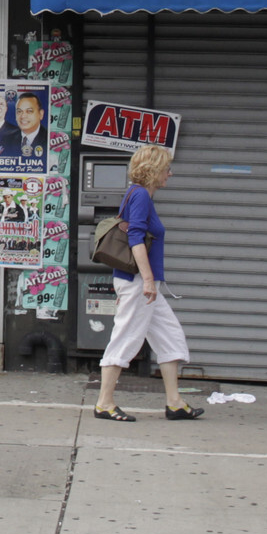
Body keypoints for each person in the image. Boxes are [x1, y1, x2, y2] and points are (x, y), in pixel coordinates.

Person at [93, 143, 203, 422]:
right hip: (137, 283)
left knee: (171, 337)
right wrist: (149, 281)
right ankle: (104, 403)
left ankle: (175, 402)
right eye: (167, 168)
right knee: (125, 338)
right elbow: (135, 239)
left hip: (139, 284)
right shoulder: (140, 196)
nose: (170, 173)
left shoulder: (139, 195)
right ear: (154, 170)